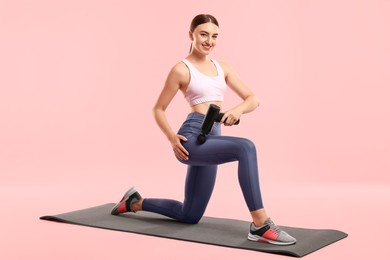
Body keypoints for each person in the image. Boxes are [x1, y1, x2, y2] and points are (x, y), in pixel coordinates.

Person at [111, 14, 296, 246]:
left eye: (214, 36)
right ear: (192, 35)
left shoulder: (223, 68)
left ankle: (134, 202)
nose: (209, 40)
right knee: (246, 148)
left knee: (190, 215)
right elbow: (158, 109)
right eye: (204, 34)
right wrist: (171, 138)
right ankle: (261, 224)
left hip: (214, 135)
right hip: (192, 138)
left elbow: (253, 99)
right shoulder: (181, 69)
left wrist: (237, 111)